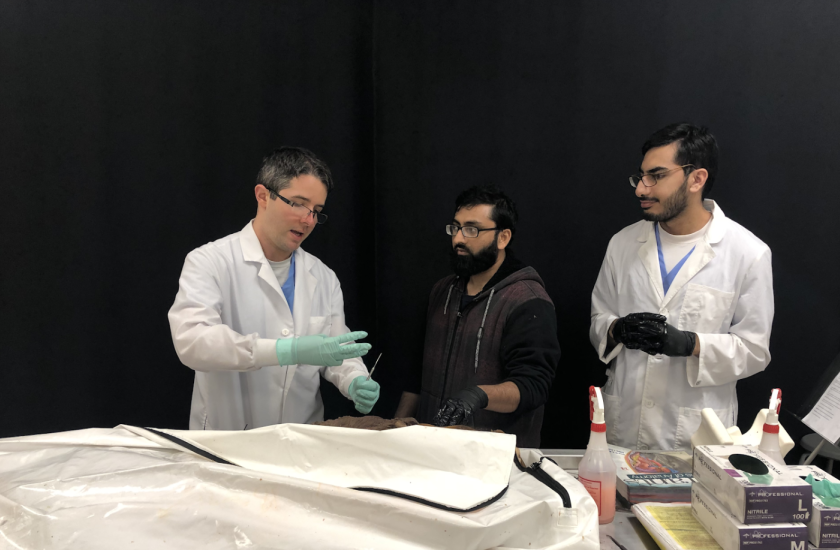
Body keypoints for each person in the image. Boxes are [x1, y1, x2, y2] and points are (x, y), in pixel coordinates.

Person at [589, 123, 774, 450]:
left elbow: (754, 351)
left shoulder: (747, 252)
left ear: (696, 179)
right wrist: (618, 329)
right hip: (625, 426)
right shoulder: (623, 243)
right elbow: (599, 320)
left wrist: (691, 344)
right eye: (641, 177)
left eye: (656, 176)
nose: (641, 190)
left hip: (695, 436)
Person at [168, 146, 380, 430]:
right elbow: (193, 342)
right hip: (227, 435)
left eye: (317, 211)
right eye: (298, 204)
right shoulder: (209, 261)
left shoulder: (324, 277)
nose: (309, 220)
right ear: (263, 195)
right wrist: (285, 351)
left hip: (300, 437)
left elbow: (334, 349)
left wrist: (354, 378)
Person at [395, 185, 561, 449]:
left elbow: (533, 386)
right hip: (429, 450)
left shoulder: (528, 300)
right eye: (455, 227)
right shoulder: (441, 291)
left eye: (472, 229)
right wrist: (395, 432)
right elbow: (416, 374)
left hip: (494, 459)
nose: (459, 239)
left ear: (503, 237)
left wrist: (478, 395)